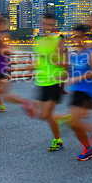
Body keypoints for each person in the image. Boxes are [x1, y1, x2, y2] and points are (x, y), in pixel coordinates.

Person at [32, 13, 67, 151]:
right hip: (41, 81)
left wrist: (60, 63)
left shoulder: (58, 41)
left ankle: (58, 140)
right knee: (41, 115)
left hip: (54, 81)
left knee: (46, 114)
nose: (48, 27)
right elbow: (38, 59)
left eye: (51, 25)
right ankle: (67, 120)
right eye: (46, 24)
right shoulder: (37, 40)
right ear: (41, 24)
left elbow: (66, 62)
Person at [66, 25, 92, 161]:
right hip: (76, 90)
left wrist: (79, 78)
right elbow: (72, 70)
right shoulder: (74, 54)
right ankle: (89, 148)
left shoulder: (90, 53)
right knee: (74, 123)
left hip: (86, 91)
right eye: (75, 36)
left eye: (79, 36)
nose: (77, 39)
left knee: (74, 122)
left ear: (84, 37)